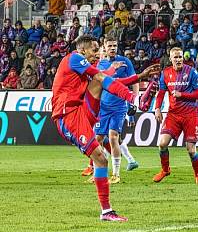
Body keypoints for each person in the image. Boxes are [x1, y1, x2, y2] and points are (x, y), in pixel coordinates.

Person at [51, 35, 158, 221]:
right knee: (101, 158)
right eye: (94, 50)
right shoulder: (74, 58)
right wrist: (132, 97)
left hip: (82, 110)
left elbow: (110, 82)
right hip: (67, 114)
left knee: (100, 81)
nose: (97, 55)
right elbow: (103, 76)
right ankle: (106, 211)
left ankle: (107, 211)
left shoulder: (84, 69)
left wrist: (139, 77)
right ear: (82, 50)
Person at [89, 39, 140, 184]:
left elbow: (134, 81)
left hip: (118, 107)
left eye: (115, 46)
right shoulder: (100, 64)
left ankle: (116, 174)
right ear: (104, 47)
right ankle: (97, 173)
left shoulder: (125, 62)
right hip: (103, 107)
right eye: (110, 46)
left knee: (113, 137)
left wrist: (133, 100)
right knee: (97, 139)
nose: (112, 48)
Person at [153, 47, 198, 184]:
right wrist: (157, 108)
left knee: (191, 149)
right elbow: (161, 93)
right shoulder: (165, 73)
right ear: (170, 59)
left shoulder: (192, 72)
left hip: (190, 114)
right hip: (173, 114)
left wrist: (182, 95)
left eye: (180, 57)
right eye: (175, 57)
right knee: (162, 143)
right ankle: (165, 170)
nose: (178, 60)